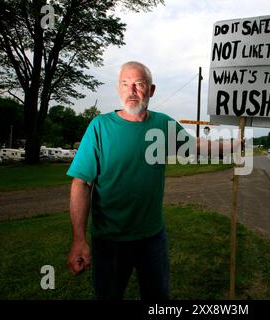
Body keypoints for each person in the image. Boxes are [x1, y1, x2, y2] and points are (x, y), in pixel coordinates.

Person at [66, 61, 191, 300]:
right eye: (125, 84)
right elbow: (81, 183)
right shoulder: (99, 127)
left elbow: (196, 147)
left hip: (153, 238)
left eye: (138, 84)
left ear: (151, 90)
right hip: (109, 241)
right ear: (118, 89)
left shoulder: (163, 124)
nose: (131, 91)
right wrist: (79, 239)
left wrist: (236, 145)